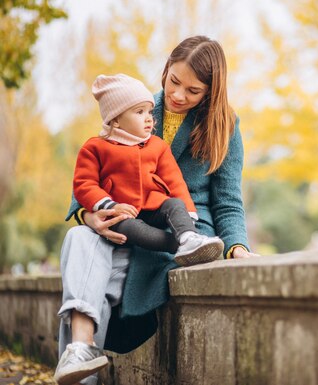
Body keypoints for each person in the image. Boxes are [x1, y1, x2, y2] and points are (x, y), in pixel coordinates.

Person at [54, 36, 259, 385]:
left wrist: (236, 246)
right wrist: (90, 216)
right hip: (123, 224)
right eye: (173, 81)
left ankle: (80, 360)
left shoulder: (224, 126)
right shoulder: (137, 104)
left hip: (179, 236)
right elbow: (94, 169)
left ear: (210, 92)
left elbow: (228, 201)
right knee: (78, 240)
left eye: (193, 91)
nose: (179, 95)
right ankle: (80, 354)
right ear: (165, 70)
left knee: (90, 282)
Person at [74, 73, 224, 267]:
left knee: (175, 204)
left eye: (149, 113)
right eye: (139, 112)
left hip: (154, 206)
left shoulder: (157, 146)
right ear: (116, 120)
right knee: (131, 228)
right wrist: (108, 206)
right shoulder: (95, 147)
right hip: (122, 211)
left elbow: (174, 180)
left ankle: (188, 236)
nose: (148, 119)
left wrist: (188, 213)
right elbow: (84, 184)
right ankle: (179, 245)